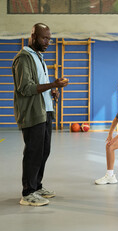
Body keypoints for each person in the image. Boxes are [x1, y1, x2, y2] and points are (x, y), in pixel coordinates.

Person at [12, 23, 69, 206]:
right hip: (32, 113)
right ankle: (27, 193)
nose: (48, 42)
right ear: (33, 36)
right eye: (44, 38)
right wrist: (54, 85)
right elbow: (25, 88)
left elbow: (39, 84)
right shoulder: (24, 58)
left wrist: (51, 92)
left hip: (45, 110)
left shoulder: (39, 57)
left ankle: (36, 186)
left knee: (44, 151)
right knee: (33, 152)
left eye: (49, 39)